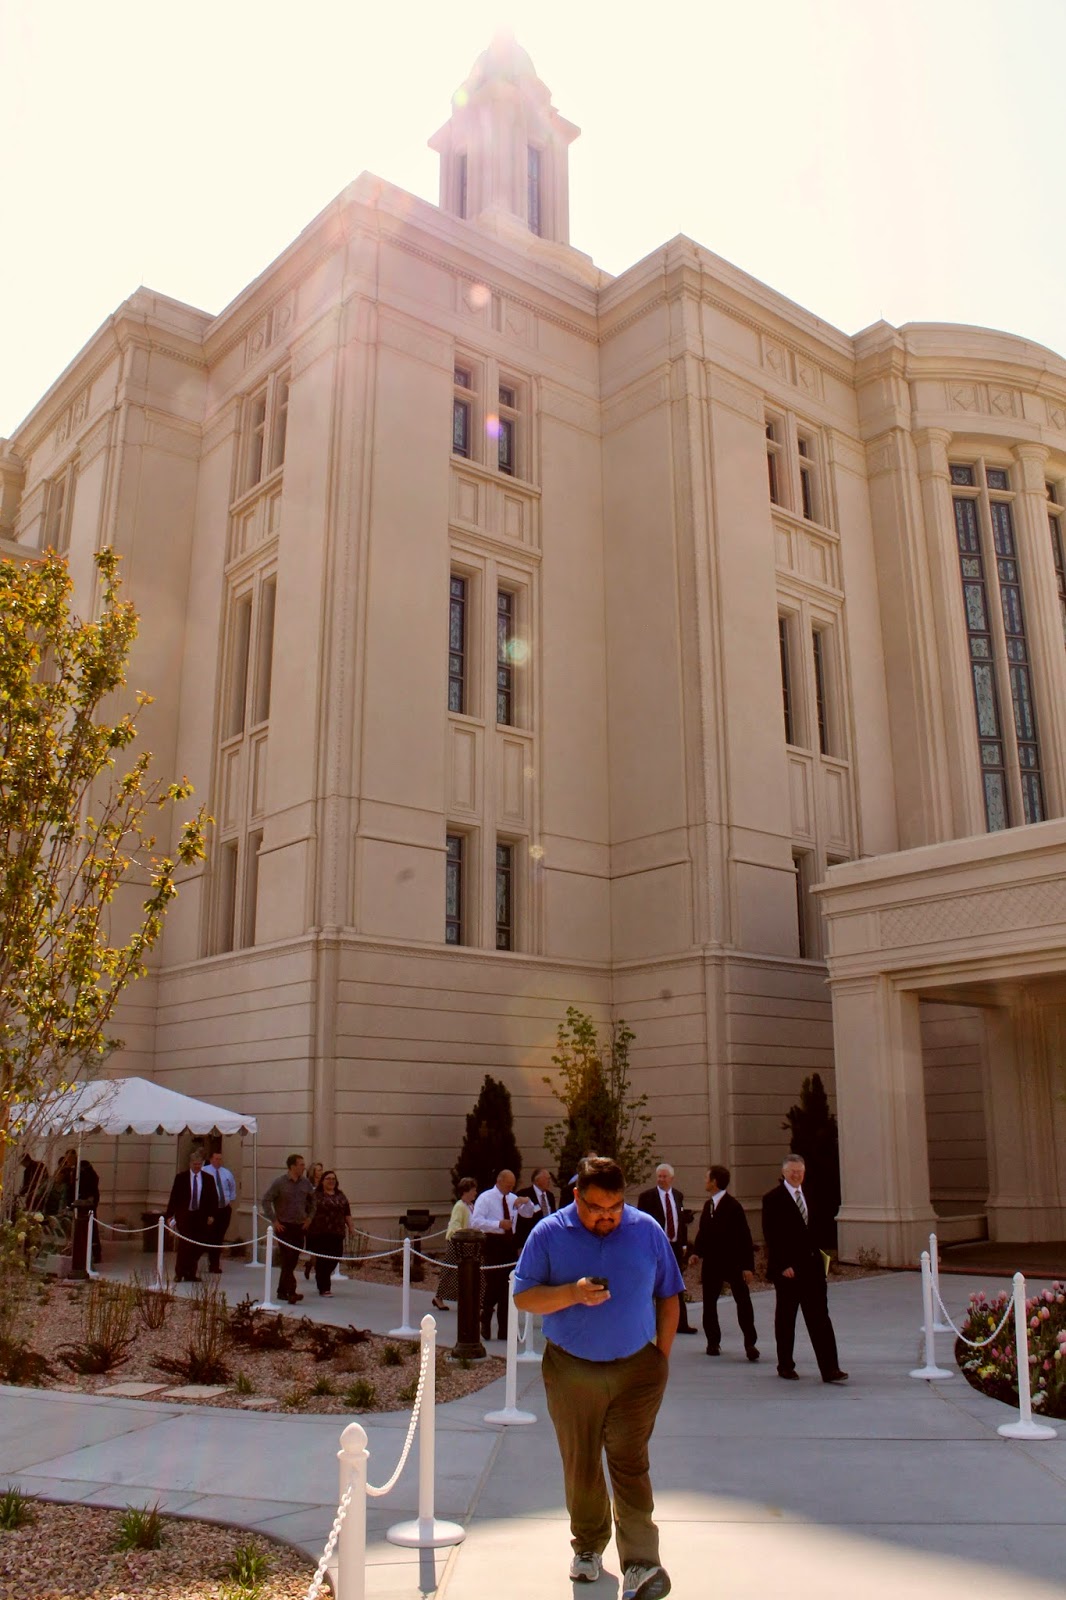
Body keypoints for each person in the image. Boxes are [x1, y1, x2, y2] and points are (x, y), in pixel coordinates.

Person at [514, 1155, 681, 1600]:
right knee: (582, 1461)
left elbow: (669, 1296)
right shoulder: (548, 1233)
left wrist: (659, 1357)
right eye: (596, 1210)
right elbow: (524, 1297)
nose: (607, 1219)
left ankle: (642, 1563)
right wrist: (572, 1293)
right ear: (576, 1197)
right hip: (572, 1369)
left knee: (629, 1461)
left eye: (614, 1209)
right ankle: (588, 1546)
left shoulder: (646, 1230)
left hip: (637, 1370)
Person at [761, 1153, 847, 1384]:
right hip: (789, 1271)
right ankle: (785, 1365)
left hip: (813, 1270)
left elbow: (819, 1231)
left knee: (820, 1319)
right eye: (792, 1172)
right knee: (786, 1320)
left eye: (800, 1171)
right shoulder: (772, 1199)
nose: (797, 1175)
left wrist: (824, 1260)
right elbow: (771, 1235)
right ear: (784, 1173)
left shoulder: (812, 1195)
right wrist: (782, 1265)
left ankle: (830, 1368)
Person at [689, 1164, 759, 1360]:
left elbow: (745, 1237)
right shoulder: (708, 1205)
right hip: (712, 1263)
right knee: (709, 1303)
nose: (704, 1181)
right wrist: (697, 1252)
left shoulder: (733, 1207)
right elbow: (703, 1232)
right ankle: (713, 1341)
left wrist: (747, 1266)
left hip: (733, 1262)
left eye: (706, 1178)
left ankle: (750, 1342)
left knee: (743, 1301)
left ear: (715, 1182)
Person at [470, 1168, 534, 1340]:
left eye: (512, 1186)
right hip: (493, 1243)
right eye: (507, 1185)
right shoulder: (486, 1198)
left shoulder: (513, 1198)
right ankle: (486, 1314)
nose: (510, 1189)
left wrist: (526, 1202)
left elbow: (528, 1213)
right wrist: (498, 1224)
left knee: (509, 1285)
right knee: (494, 1283)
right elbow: (475, 1222)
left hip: (509, 1244)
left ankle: (504, 1328)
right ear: (499, 1182)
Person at [637, 1163, 697, 1334]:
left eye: (664, 1177)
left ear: (672, 1178)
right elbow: (643, 1224)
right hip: (656, 1247)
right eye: (659, 1176)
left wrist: (684, 1244)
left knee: (676, 1284)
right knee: (651, 1284)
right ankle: (650, 1324)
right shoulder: (647, 1197)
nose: (661, 1179)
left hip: (675, 1247)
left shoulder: (678, 1196)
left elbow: (681, 1222)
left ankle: (681, 1323)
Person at [261, 1153, 316, 1304]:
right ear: (292, 1166)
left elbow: (313, 1202)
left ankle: (282, 1291)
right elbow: (266, 1200)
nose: (303, 1167)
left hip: (299, 1226)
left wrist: (309, 1218)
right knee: (288, 1257)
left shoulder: (305, 1184)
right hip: (284, 1227)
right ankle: (291, 1291)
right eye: (301, 1164)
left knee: (291, 1261)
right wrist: (274, 1220)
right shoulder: (280, 1182)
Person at [166, 1147, 219, 1283]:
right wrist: (169, 1215)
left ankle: (191, 1272)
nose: (197, 1167)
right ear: (190, 1164)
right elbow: (174, 1197)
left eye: (199, 1164)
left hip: (200, 1217)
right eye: (194, 1164)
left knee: (198, 1246)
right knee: (184, 1245)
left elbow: (213, 1198)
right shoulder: (181, 1178)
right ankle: (180, 1272)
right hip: (185, 1216)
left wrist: (212, 1215)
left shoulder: (208, 1179)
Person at [305, 1169, 355, 1296]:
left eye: (333, 1179)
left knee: (336, 1256)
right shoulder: (315, 1195)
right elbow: (307, 1211)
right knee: (322, 1259)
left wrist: (351, 1227)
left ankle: (321, 1277)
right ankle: (324, 1287)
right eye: (328, 1179)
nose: (331, 1181)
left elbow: (347, 1213)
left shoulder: (340, 1195)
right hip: (319, 1232)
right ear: (322, 1181)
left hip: (337, 1232)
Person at [433, 1176, 478, 1310]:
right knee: (450, 1272)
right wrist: (466, 1233)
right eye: (473, 1190)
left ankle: (470, 1299)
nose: (475, 1193)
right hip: (457, 1244)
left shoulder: (470, 1206)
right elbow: (455, 1226)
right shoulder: (460, 1206)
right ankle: (439, 1297)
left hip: (468, 1244)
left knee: (468, 1273)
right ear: (467, 1191)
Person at [204, 1149, 237, 1274]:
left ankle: (215, 1264)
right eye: (216, 1159)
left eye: (220, 1159)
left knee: (219, 1237)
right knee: (210, 1237)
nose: (218, 1161)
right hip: (211, 1210)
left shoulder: (226, 1173)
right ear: (211, 1159)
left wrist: (230, 1201)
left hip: (224, 1209)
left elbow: (232, 1187)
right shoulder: (205, 1171)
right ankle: (209, 1262)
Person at [514, 1166, 557, 1250]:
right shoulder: (524, 1194)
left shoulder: (550, 1196)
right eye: (546, 1179)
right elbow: (520, 1222)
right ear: (537, 1181)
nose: (549, 1182)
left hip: (548, 1239)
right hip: (530, 1240)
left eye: (549, 1179)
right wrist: (520, 1245)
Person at [302, 1163, 325, 1279]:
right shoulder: (308, 1185)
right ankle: (318, 1272)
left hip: (322, 1219)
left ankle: (310, 1264)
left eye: (321, 1170)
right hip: (311, 1219)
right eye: (318, 1170)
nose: (320, 1172)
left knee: (320, 1246)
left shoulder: (323, 1185)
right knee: (314, 1246)